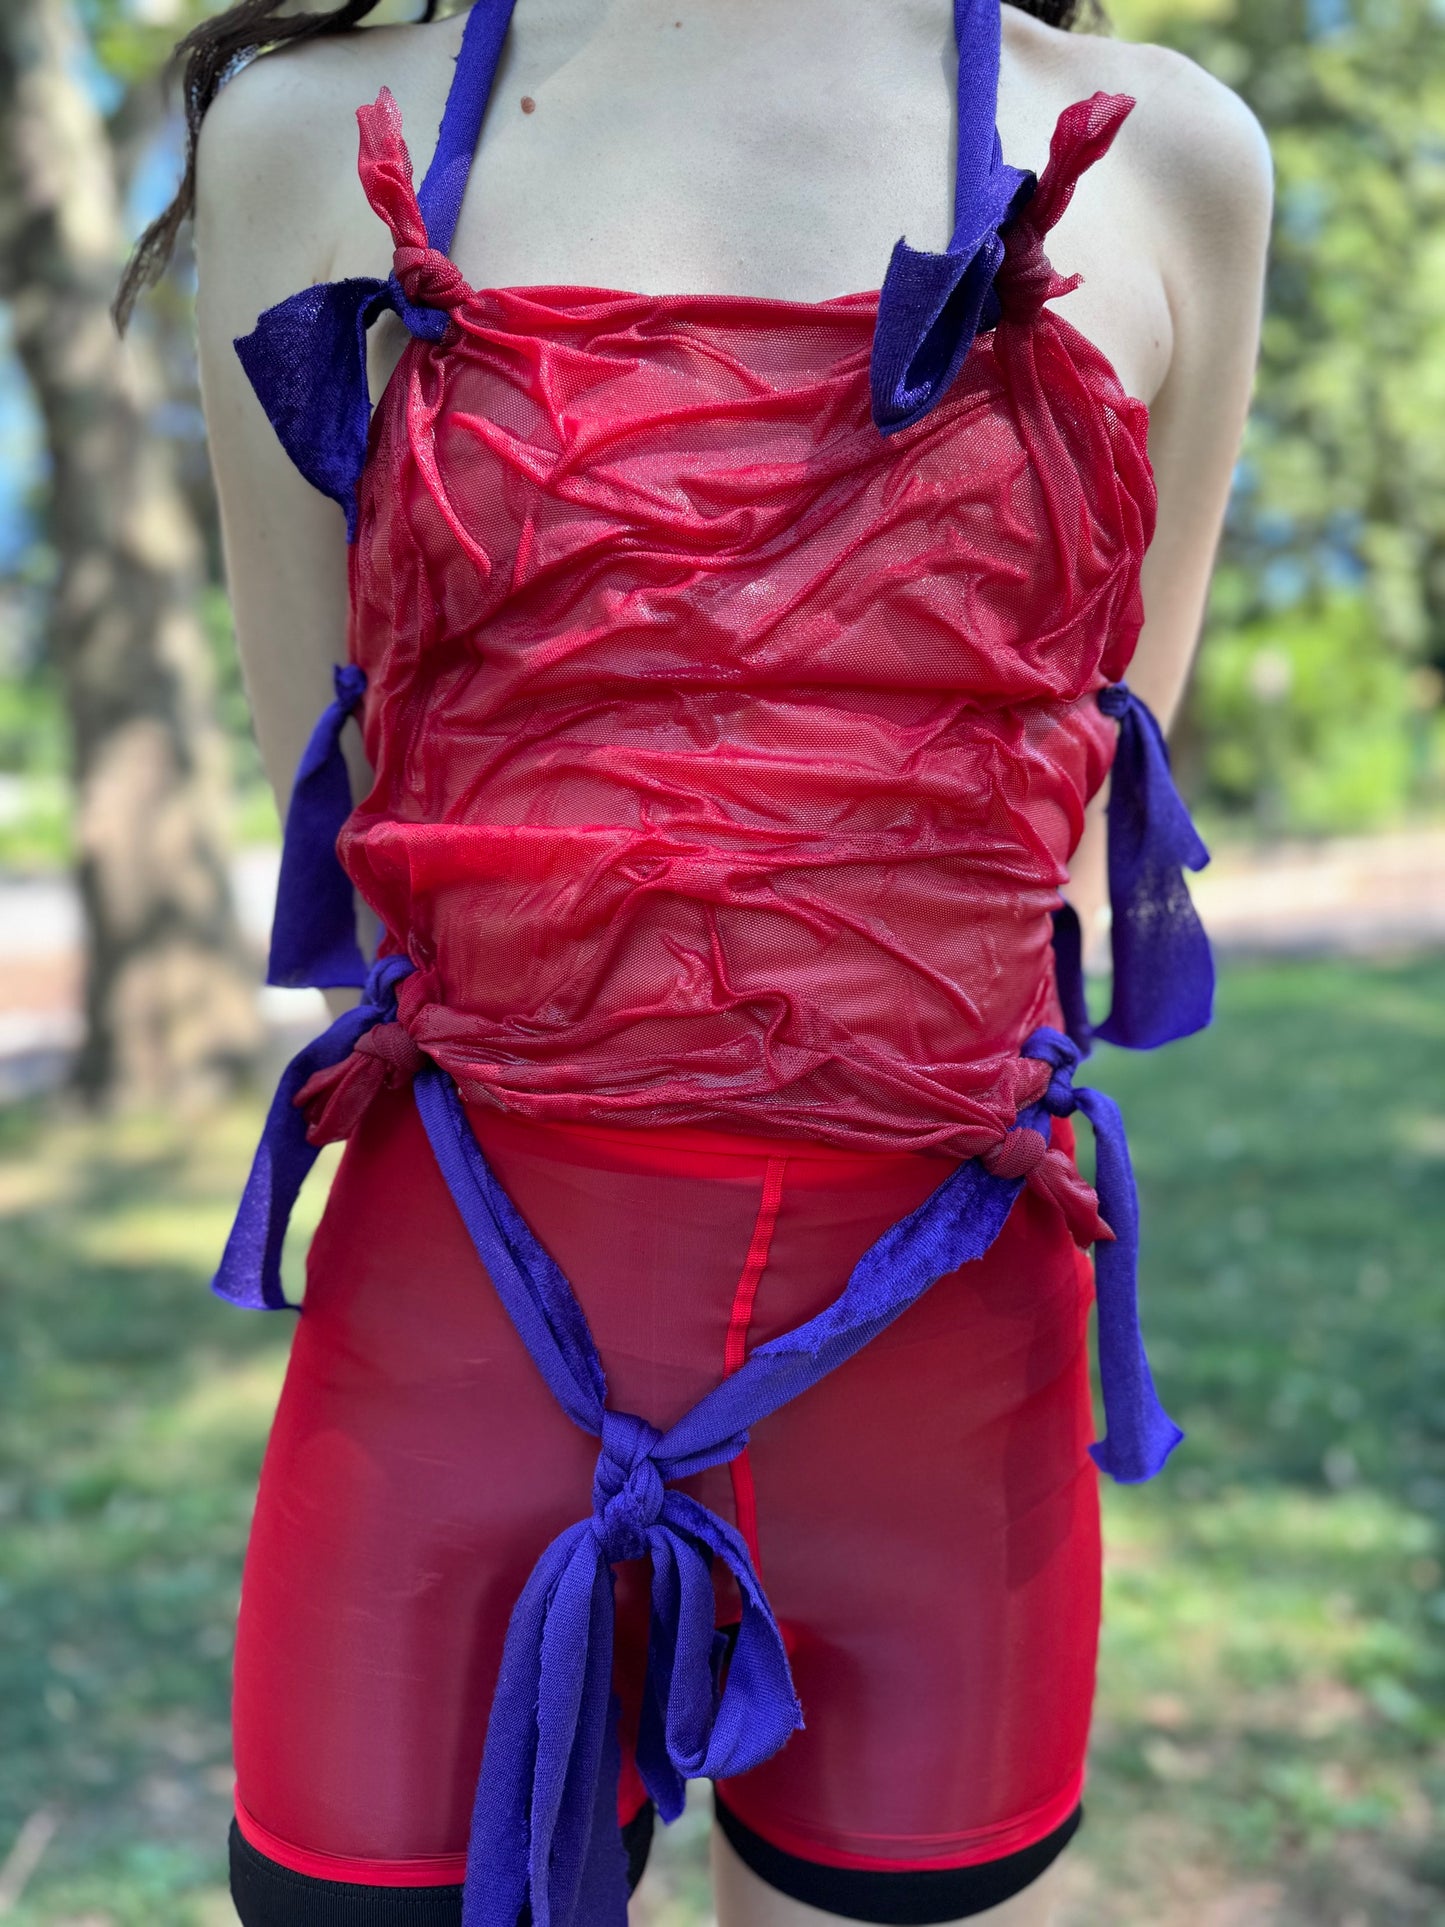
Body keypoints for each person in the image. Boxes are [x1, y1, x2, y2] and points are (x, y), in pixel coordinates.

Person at [122, 1, 1270, 1922]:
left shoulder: (1170, 153)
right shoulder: (302, 137)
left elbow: (1055, 809)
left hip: (936, 1382)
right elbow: (350, 785)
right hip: (460, 1344)